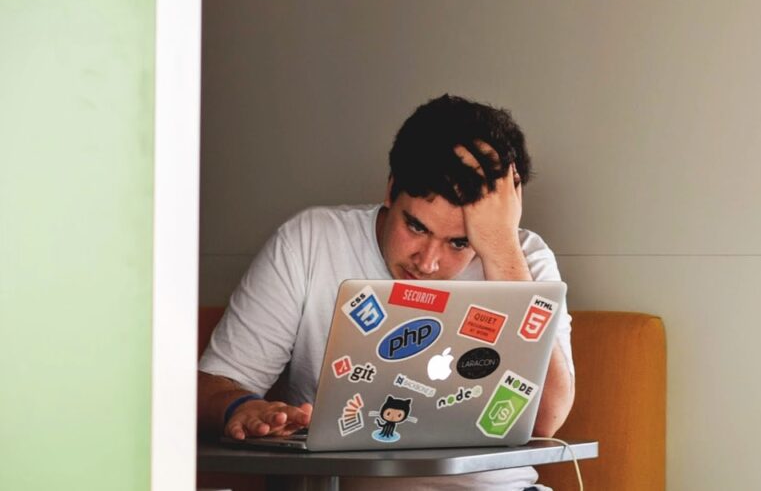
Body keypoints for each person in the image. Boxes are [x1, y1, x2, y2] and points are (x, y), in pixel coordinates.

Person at [197, 94, 575, 490]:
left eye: (460, 243)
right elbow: (213, 385)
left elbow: (548, 418)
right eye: (416, 227)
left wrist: (500, 248)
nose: (428, 263)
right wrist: (243, 408)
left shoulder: (524, 258)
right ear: (392, 190)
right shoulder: (311, 241)